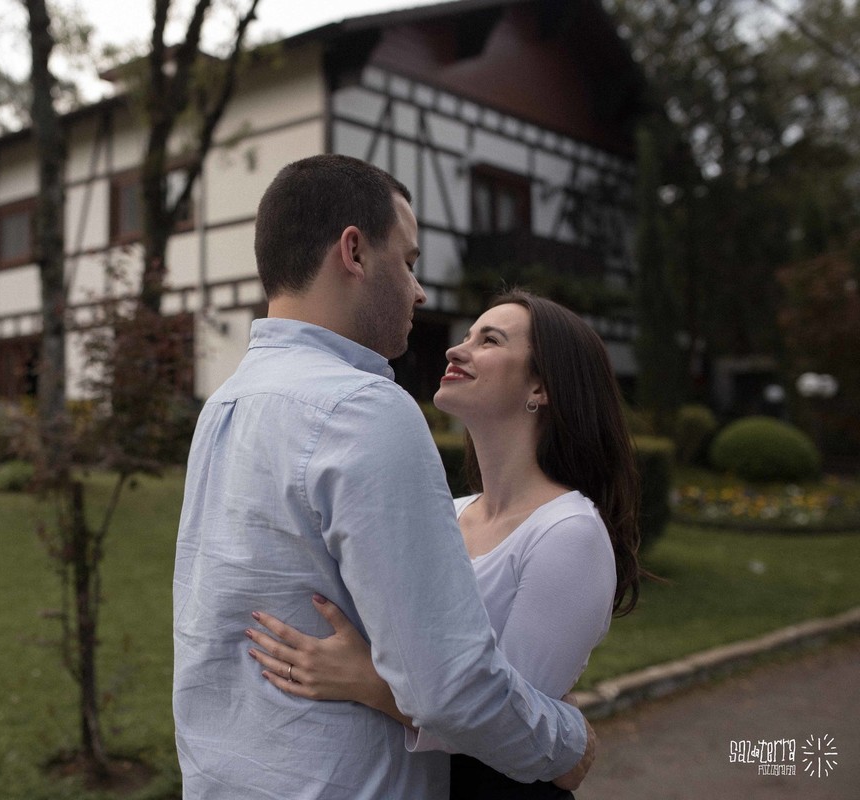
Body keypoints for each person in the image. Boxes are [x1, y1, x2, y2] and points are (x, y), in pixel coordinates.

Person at [173, 154, 596, 799]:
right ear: (354, 252)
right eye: (408, 261)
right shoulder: (362, 410)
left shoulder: (225, 405)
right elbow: (449, 685)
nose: (418, 291)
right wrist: (567, 741)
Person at [245, 290, 644, 798]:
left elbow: (509, 728)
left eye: (490, 340)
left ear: (541, 386)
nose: (458, 349)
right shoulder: (449, 512)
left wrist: (366, 680)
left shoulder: (568, 533)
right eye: (468, 335)